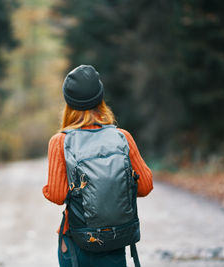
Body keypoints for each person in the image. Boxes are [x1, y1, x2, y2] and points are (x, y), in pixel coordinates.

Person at [43, 65, 153, 267]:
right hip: (114, 239)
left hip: (76, 242)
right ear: (101, 100)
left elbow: (57, 195)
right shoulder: (122, 137)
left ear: (68, 103)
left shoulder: (60, 142)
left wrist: (48, 189)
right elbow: (145, 186)